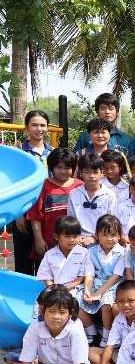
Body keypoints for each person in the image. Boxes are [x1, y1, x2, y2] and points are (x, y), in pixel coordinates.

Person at [0, 285, 93, 364]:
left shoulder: (75, 328)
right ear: (42, 311)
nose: (56, 316)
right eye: (51, 311)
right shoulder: (35, 327)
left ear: (70, 314)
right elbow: (26, 362)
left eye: (62, 312)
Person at [13, 110, 55, 274]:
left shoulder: (53, 153)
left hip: (46, 211)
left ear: (47, 127)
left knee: (45, 260)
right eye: (34, 125)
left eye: (42, 125)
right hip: (23, 210)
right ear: (26, 127)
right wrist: (18, 214)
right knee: (23, 260)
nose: (39, 129)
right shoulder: (17, 152)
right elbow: (14, 183)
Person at [77, 214, 125, 346]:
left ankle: (107, 334)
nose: (109, 239)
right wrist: (87, 291)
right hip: (95, 283)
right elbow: (90, 274)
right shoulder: (91, 251)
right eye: (104, 234)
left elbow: (116, 276)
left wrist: (98, 294)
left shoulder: (122, 253)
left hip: (113, 285)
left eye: (113, 235)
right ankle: (91, 331)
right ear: (97, 235)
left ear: (119, 236)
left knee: (106, 305)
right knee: (75, 300)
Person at [28, 148, 83, 261]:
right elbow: (35, 216)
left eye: (67, 168)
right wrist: (39, 239)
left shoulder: (80, 186)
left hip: (75, 243)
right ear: (51, 167)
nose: (63, 171)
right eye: (59, 167)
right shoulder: (43, 186)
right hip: (49, 242)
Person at [88, 280, 135, 364]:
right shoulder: (119, 318)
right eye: (120, 301)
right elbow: (110, 346)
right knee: (89, 352)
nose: (125, 305)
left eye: (130, 301)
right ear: (116, 302)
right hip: (122, 354)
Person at [36, 216, 89, 310]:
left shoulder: (84, 253)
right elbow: (46, 277)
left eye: (75, 236)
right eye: (67, 236)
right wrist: (54, 289)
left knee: (75, 305)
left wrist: (68, 288)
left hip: (76, 289)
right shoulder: (49, 254)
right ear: (56, 236)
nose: (72, 240)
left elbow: (81, 277)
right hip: (53, 289)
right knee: (40, 304)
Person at [66, 153, 117, 246]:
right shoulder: (73, 194)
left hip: (102, 240)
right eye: (87, 172)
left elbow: (111, 222)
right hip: (77, 239)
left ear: (102, 173)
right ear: (81, 173)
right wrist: (77, 237)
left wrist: (94, 237)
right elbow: (70, 219)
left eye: (95, 172)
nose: (91, 176)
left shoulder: (109, 195)